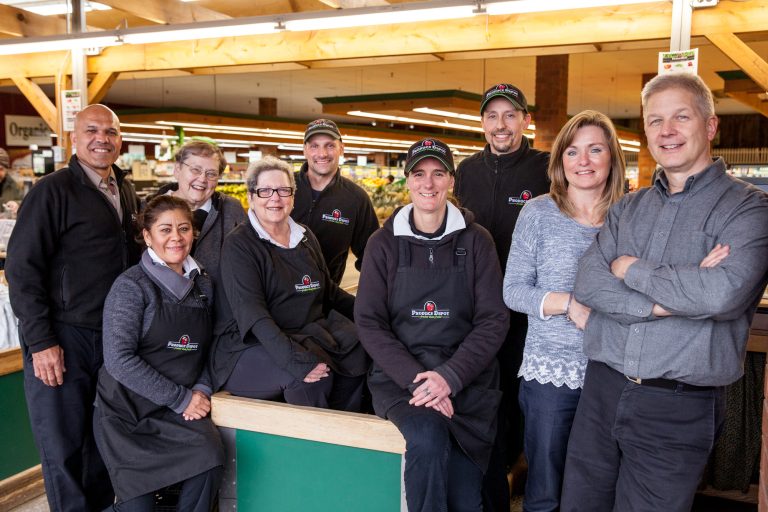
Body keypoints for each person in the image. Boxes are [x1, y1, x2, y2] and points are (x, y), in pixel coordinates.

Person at [561, 73, 768, 512]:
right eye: (655, 121)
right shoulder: (628, 207)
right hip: (601, 390)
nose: (666, 131)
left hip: (677, 406)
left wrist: (631, 268)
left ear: (710, 126)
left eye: (680, 117)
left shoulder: (748, 207)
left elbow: (720, 294)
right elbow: (589, 282)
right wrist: (668, 300)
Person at [355, 138, 509, 512]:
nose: (429, 183)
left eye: (438, 173)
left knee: (466, 491)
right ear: (407, 180)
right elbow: (370, 322)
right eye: (419, 173)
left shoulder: (477, 242)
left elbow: (493, 319)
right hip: (402, 380)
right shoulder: (383, 244)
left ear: (451, 181)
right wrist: (419, 380)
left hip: (467, 379)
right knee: (426, 435)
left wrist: (449, 377)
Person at [5, 104, 140, 511]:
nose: (102, 139)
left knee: (101, 440)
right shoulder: (53, 191)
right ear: (74, 139)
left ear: (120, 139)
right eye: (92, 131)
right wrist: (41, 339)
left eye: (111, 132)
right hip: (63, 336)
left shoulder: (125, 190)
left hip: (113, 338)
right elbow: (22, 269)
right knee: (62, 445)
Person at [503, 111, 625, 512]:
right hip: (550, 377)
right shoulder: (538, 213)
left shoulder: (630, 216)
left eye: (595, 149)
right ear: (559, 161)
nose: (583, 161)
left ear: (612, 157)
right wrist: (568, 303)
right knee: (545, 491)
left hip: (615, 371)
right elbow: (513, 291)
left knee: (600, 487)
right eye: (572, 151)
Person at [94, 195, 224, 511]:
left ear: (194, 233)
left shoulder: (204, 284)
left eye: (183, 228)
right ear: (148, 236)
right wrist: (181, 398)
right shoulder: (131, 287)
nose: (176, 237)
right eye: (165, 230)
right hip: (127, 415)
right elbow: (118, 360)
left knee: (209, 456)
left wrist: (202, 390)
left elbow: (212, 348)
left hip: (178, 410)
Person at [453, 83, 550, 509]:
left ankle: (517, 474)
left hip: (527, 313)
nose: (501, 125)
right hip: (474, 309)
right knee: (480, 395)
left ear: (526, 120)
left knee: (519, 399)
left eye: (510, 115)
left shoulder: (546, 168)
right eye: (492, 117)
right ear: (482, 124)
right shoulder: (466, 171)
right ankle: (489, 481)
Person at [211, 156, 368, 411]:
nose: (275, 198)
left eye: (284, 190)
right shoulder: (239, 245)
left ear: (293, 197)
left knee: (363, 349)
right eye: (265, 191)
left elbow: (328, 293)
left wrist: (374, 315)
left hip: (306, 333)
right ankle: (312, 444)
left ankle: (347, 433)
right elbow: (254, 316)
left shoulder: (305, 236)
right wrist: (295, 361)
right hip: (248, 346)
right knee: (311, 379)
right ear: (251, 197)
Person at [291, 118, 379, 284]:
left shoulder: (356, 199)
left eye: (330, 145)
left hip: (326, 301)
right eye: (314, 146)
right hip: (275, 298)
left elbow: (371, 256)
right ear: (305, 150)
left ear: (341, 149)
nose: (322, 153)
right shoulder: (283, 188)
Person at [151, 140, 246, 280]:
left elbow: (248, 259)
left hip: (219, 300)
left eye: (211, 174)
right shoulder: (148, 208)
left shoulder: (232, 209)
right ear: (177, 170)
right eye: (195, 170)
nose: (202, 179)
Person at [0, 148, 24, 215]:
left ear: (6, 169)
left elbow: (24, 201)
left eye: (1, 169)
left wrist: (16, 204)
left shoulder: (13, 184)